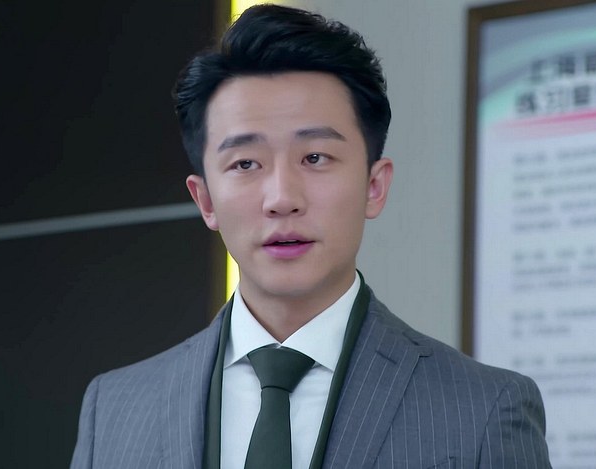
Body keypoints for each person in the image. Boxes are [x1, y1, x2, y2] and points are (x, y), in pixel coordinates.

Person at [70, 4, 551, 469]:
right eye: (245, 163)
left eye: (315, 157)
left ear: (374, 186)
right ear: (206, 200)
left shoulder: (483, 409)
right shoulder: (113, 409)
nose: (282, 198)